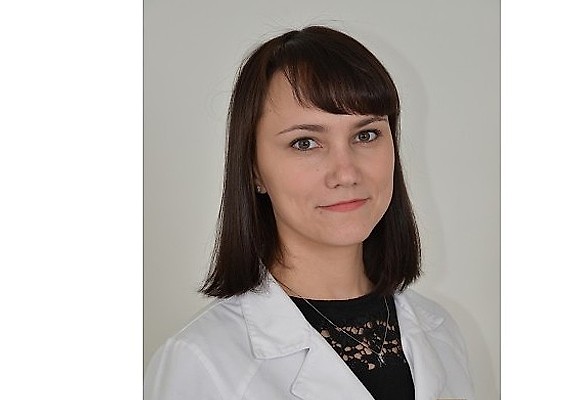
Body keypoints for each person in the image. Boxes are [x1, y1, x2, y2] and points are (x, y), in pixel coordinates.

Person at [144, 26, 475, 400]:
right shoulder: (201, 363)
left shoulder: (440, 331)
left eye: (366, 135)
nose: (346, 173)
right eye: (305, 143)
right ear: (254, 170)